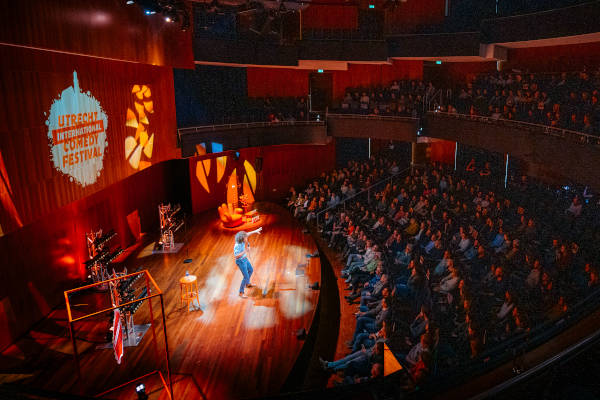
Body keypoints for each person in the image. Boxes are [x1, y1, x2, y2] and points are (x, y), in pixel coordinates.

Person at [234, 228, 262, 297]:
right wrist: (246, 250)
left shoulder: (242, 239)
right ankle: (241, 293)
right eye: (245, 237)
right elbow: (236, 256)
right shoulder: (237, 246)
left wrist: (255, 231)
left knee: (251, 270)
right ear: (242, 239)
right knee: (246, 277)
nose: (247, 238)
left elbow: (247, 234)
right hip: (240, 261)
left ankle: (247, 284)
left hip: (245, 259)